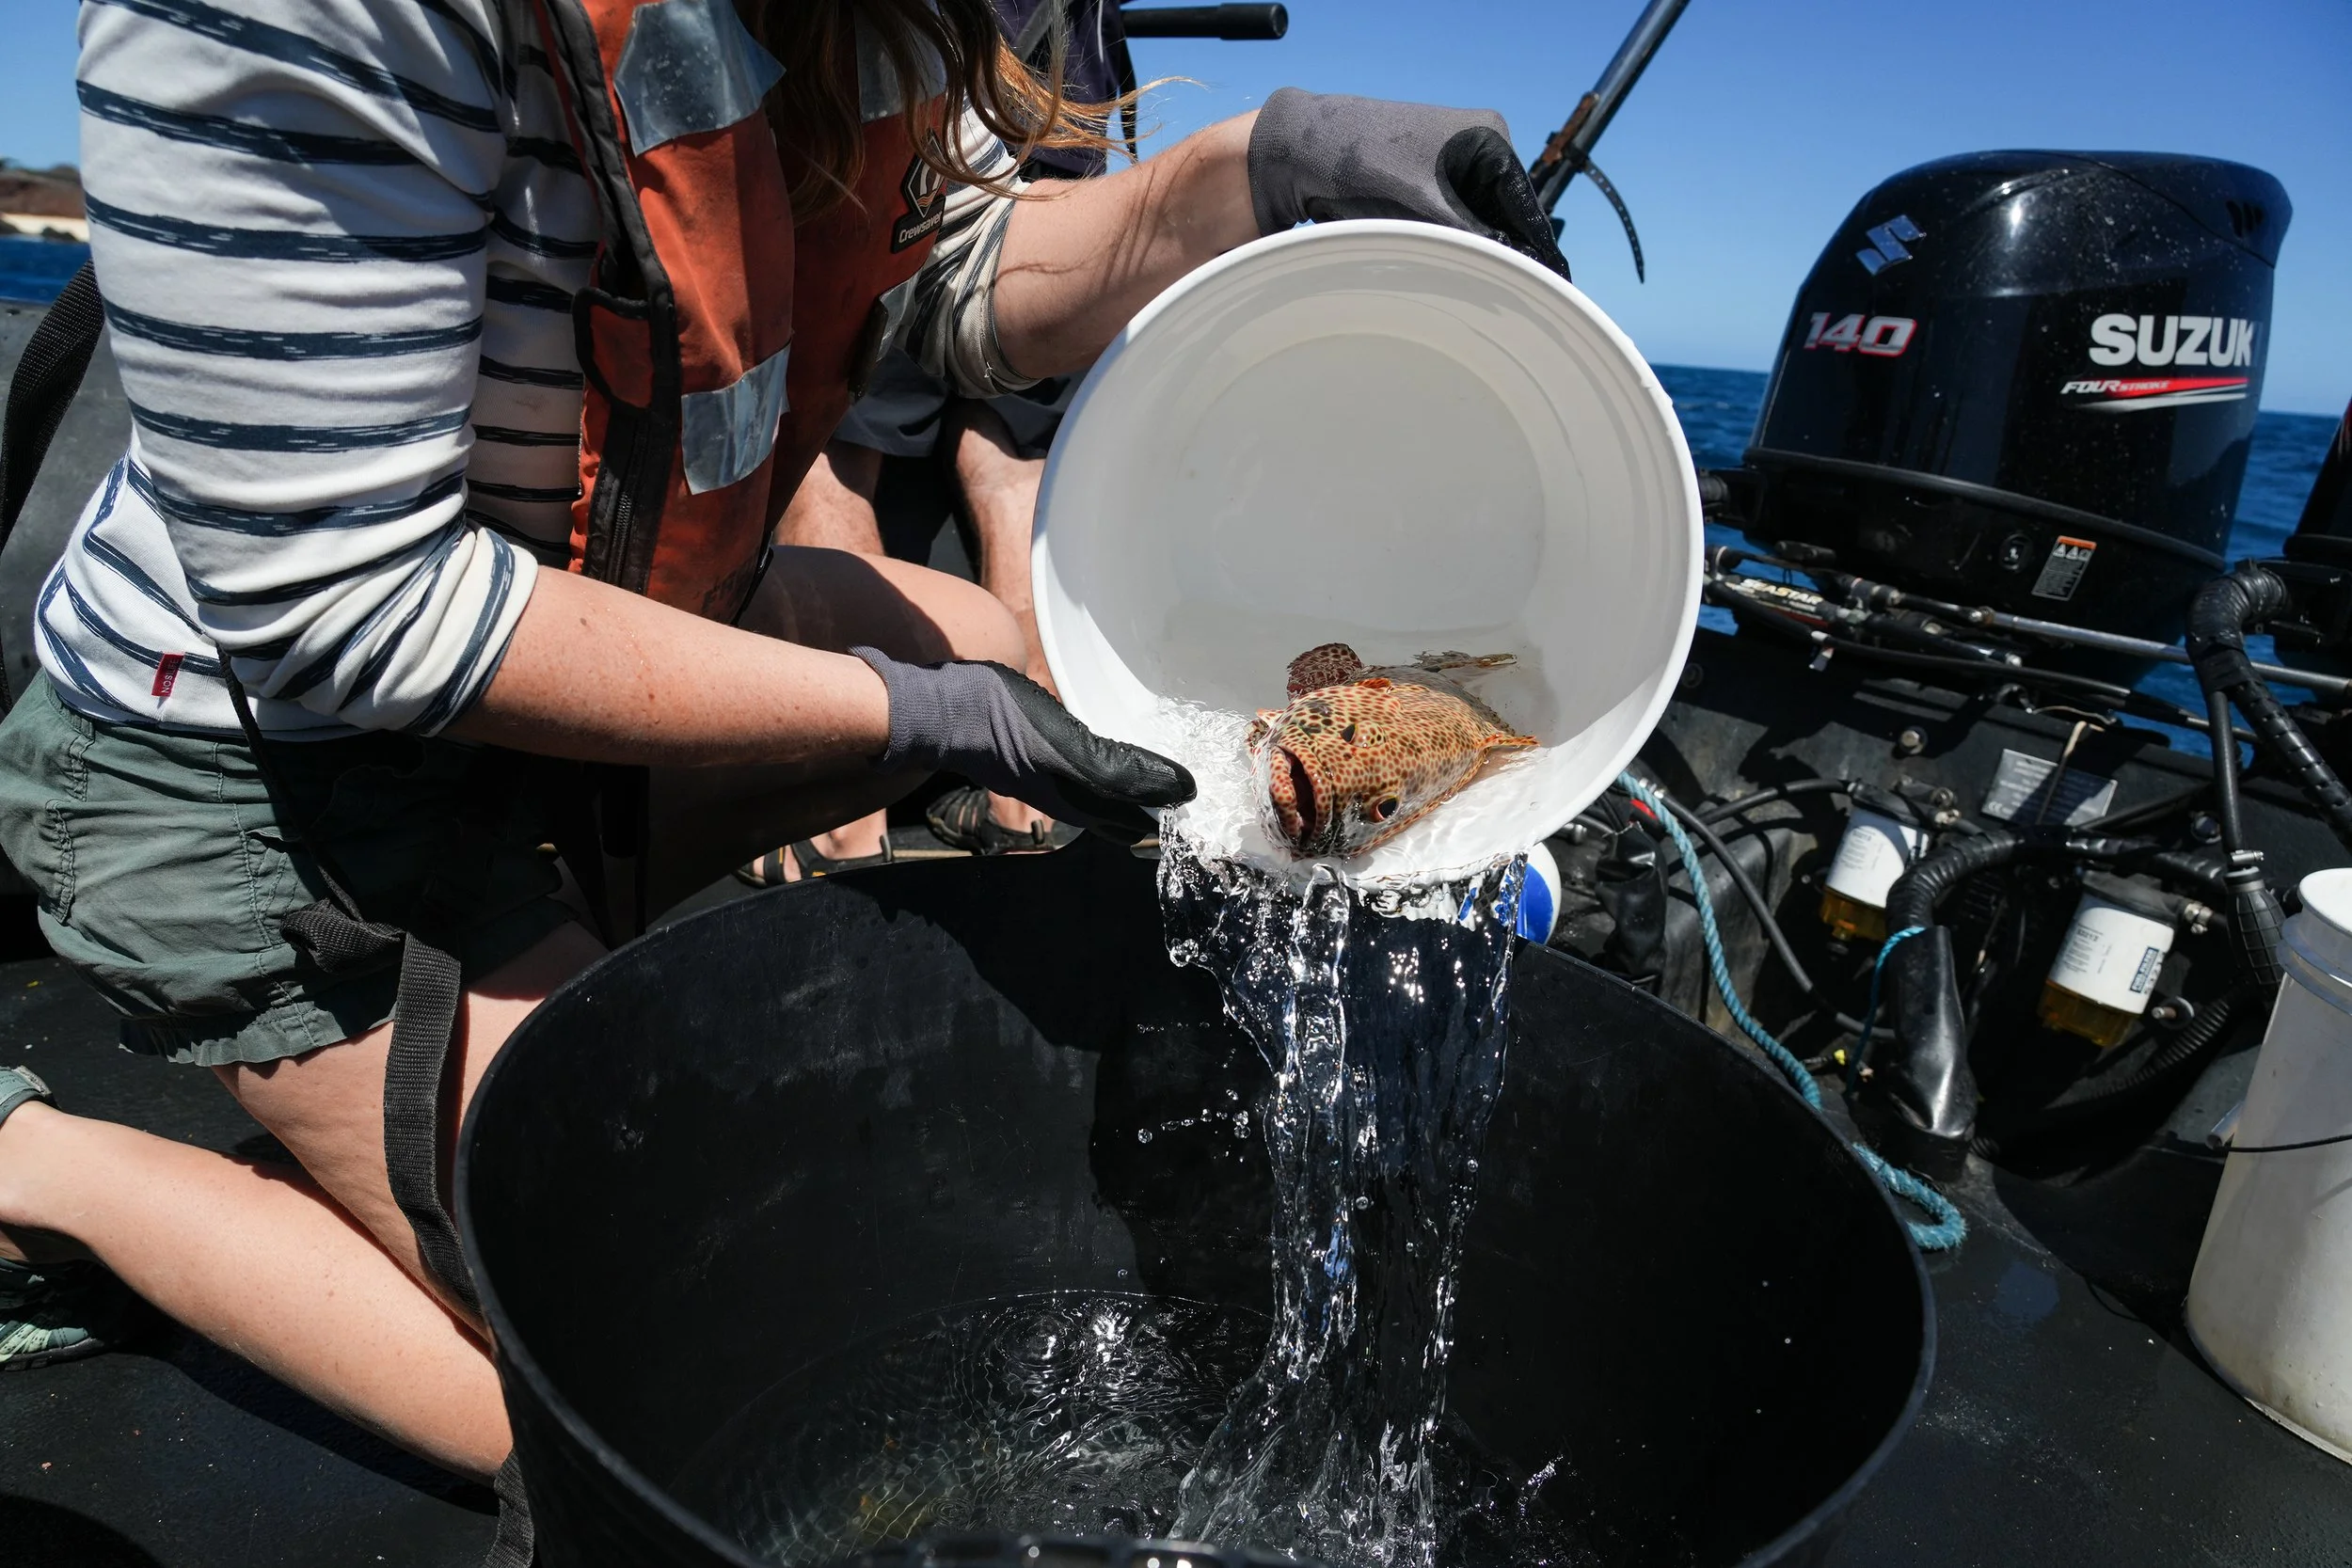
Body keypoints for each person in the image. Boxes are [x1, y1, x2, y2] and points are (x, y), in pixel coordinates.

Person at [0, 0, 1566, 1489]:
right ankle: (45, 1170)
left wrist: (1260, 167)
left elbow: (948, 272)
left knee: (994, 641)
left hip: (539, 691)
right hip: (253, 780)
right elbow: (342, 604)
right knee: (650, 1389)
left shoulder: (833, 22)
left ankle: (451, 1097)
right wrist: (912, 716)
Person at [769, 0, 1131, 875]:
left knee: (831, 454)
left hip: (878, 117)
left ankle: (846, 818)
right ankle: (1023, 803)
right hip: (1050, 119)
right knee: (1011, 469)